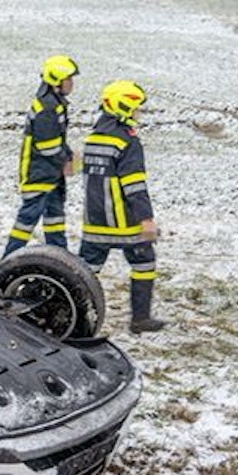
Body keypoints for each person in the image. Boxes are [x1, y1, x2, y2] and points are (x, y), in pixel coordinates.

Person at [78, 80, 166, 333]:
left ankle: (71, 314)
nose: (139, 114)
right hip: (124, 224)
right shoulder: (127, 142)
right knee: (144, 263)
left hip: (94, 222)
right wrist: (146, 219)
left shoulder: (94, 137)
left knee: (84, 272)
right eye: (136, 108)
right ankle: (140, 319)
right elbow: (134, 186)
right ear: (124, 107)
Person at [2, 55, 80, 257]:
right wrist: (66, 159)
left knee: (55, 221)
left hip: (49, 174)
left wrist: (68, 155)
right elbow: (47, 146)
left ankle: (61, 259)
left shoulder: (55, 104)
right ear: (56, 81)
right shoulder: (47, 108)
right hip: (38, 175)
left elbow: (57, 141)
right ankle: (9, 260)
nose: (72, 84)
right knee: (26, 222)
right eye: (68, 79)